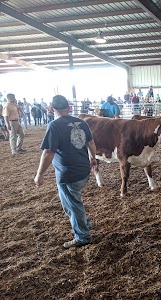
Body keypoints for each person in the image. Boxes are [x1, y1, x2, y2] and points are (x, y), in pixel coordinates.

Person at [34, 95, 97, 249]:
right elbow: (91, 142)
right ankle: (85, 223)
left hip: (68, 174)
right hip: (83, 170)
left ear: (51, 108)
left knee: (71, 204)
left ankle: (82, 236)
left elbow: (48, 153)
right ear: (68, 107)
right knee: (73, 201)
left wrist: (39, 174)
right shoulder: (82, 123)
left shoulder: (54, 126)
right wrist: (93, 158)